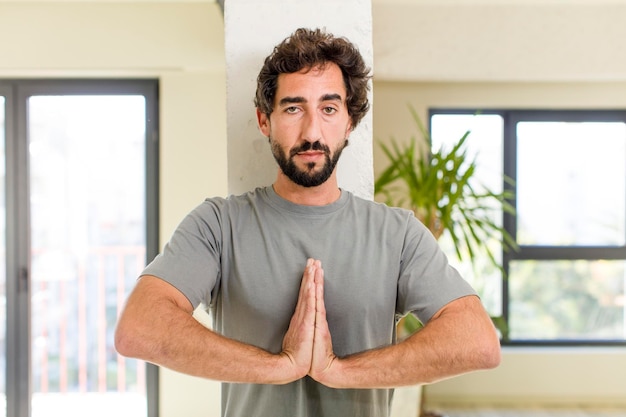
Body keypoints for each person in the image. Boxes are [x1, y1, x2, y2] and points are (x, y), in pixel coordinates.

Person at [114, 27, 501, 417]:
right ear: (265, 120)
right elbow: (140, 328)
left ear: (349, 123)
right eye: (293, 108)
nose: (312, 132)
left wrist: (338, 370)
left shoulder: (397, 234)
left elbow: (477, 342)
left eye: (329, 109)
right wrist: (281, 366)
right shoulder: (218, 225)